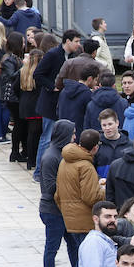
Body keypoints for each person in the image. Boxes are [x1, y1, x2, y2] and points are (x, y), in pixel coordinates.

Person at [33, 29, 82, 181]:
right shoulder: (53, 54)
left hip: (63, 103)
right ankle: (39, 173)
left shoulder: (74, 56)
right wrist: (51, 86)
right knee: (47, 138)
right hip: (50, 103)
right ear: (67, 41)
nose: (78, 44)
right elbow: (38, 74)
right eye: (76, 41)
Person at [39, 119, 80, 267]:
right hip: (53, 211)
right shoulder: (51, 157)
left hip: (67, 210)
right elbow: (49, 188)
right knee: (52, 247)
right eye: (72, 133)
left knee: (74, 247)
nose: (75, 137)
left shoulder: (65, 154)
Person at [55, 128, 106, 248]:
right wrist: (104, 190)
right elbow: (91, 197)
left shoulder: (64, 161)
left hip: (69, 219)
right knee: (86, 261)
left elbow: (58, 194)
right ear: (95, 148)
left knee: (78, 257)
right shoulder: (86, 166)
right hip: (84, 222)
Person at [77, 200, 119, 267]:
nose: (113, 220)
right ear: (96, 219)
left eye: (115, 217)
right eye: (108, 216)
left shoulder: (105, 241)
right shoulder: (94, 242)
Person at [0, 32, 27, 162]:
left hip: (15, 95)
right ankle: (15, 151)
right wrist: (26, 67)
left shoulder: (14, 57)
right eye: (22, 42)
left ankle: (17, 151)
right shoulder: (9, 59)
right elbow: (12, 75)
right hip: (12, 96)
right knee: (19, 124)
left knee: (20, 124)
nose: (24, 44)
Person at [57, 62, 100, 133]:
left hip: (63, 131)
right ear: (90, 79)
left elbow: (58, 110)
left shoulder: (64, 90)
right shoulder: (87, 94)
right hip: (78, 132)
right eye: (95, 80)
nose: (96, 83)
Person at [20, 48, 45, 171]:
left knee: (30, 133)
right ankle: (34, 159)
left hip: (26, 104)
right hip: (37, 105)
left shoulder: (24, 71)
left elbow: (15, 87)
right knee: (37, 134)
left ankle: (29, 159)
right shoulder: (39, 73)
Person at [94, 109, 132, 177]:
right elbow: (91, 168)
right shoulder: (96, 145)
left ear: (117, 123)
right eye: (104, 125)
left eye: (110, 124)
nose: (107, 128)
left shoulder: (130, 144)